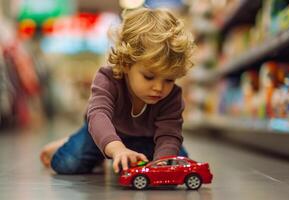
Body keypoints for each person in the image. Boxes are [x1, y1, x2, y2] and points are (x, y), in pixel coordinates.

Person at [40, 7, 195, 174]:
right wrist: (116, 149)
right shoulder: (108, 79)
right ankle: (73, 143)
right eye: (149, 77)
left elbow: (169, 134)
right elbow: (98, 115)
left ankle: (113, 153)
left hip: (149, 139)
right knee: (67, 164)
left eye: (169, 80)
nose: (159, 87)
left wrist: (163, 164)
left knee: (178, 165)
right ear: (126, 64)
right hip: (103, 133)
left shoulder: (172, 96)